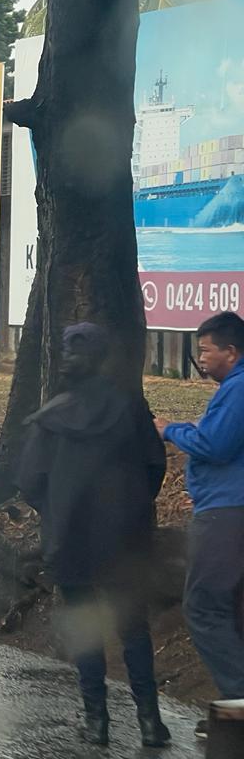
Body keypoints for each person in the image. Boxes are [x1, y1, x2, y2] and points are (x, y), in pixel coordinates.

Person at [17, 323, 170, 748]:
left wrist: (56, 512)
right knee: (133, 627)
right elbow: (154, 467)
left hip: (71, 539)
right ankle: (151, 723)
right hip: (125, 540)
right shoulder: (132, 408)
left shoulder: (51, 417)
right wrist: (133, 511)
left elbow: (30, 480)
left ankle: (97, 722)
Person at [155, 311, 244, 739]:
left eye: (206, 350)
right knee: (232, 610)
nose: (201, 358)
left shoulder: (238, 388)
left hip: (227, 516)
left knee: (203, 607)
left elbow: (216, 444)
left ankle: (237, 708)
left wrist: (170, 429)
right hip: (228, 508)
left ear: (231, 351)